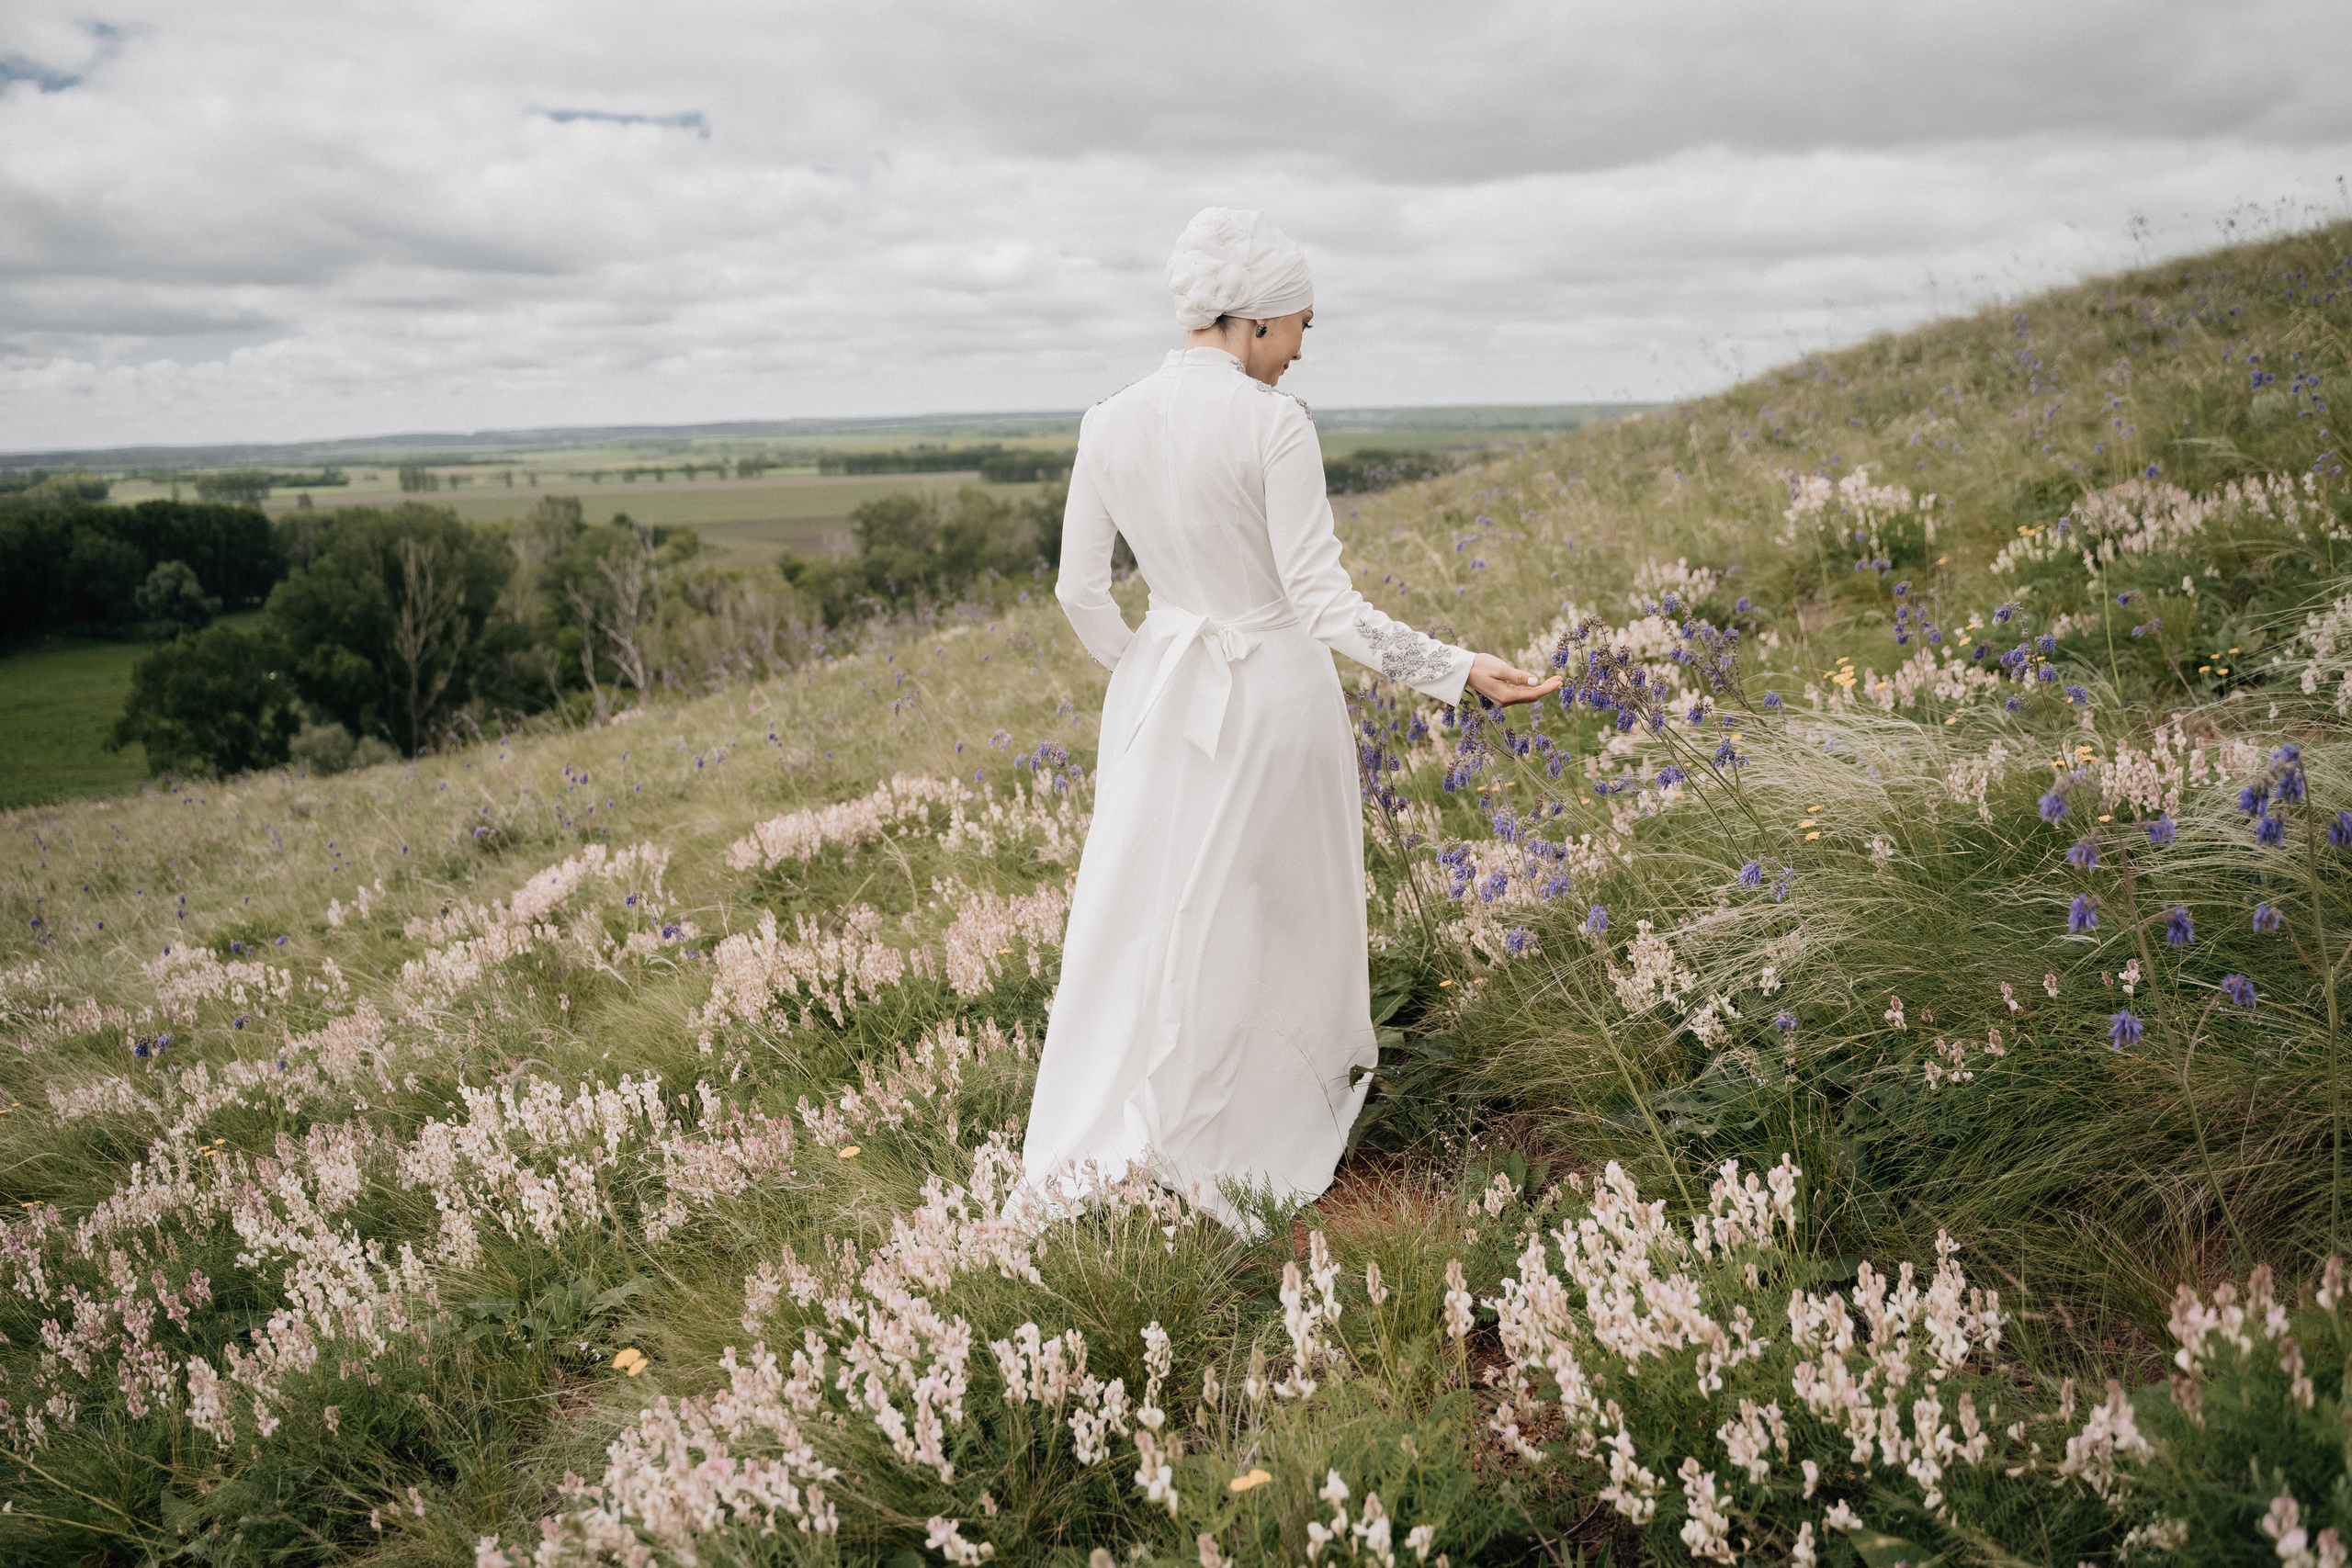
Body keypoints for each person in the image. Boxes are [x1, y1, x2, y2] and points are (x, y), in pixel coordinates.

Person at [1020, 207, 1559, 1229]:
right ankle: (1238, 1119)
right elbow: (1325, 606)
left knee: (1156, 904)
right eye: (1300, 326)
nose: (1302, 349)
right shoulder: (1274, 423)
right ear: (1256, 322)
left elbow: (1077, 593)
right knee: (1277, 907)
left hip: (1160, 693)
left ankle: (1140, 1121)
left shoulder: (1107, 420)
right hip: (1270, 688)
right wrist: (1457, 670)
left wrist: (1142, 670)